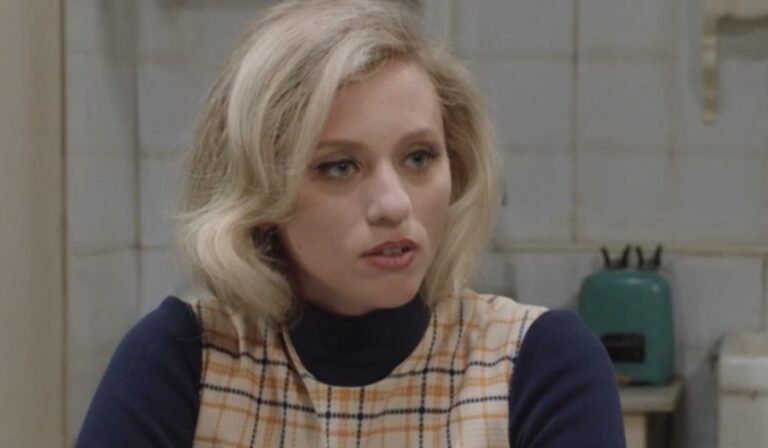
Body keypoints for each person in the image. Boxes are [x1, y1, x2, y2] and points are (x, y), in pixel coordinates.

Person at [76, 1, 626, 446]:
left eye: (419, 157)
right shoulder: (185, 358)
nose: (394, 204)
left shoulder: (537, 363)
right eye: (339, 166)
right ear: (259, 192)